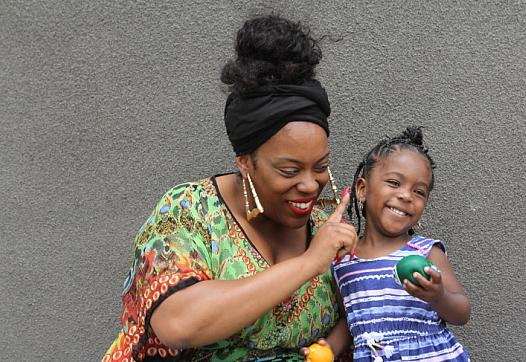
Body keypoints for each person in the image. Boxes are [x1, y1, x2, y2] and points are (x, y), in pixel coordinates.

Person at [103, 15, 357, 362]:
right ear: (245, 162)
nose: (310, 184)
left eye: (321, 167)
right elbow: (179, 322)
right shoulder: (189, 211)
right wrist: (310, 263)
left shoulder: (326, 228)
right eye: (289, 169)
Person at [330, 127, 471, 361]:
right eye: (394, 183)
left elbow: (462, 313)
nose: (406, 196)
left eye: (419, 191)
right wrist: (328, 348)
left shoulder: (426, 252)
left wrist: (438, 296)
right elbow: (350, 321)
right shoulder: (343, 263)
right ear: (362, 189)